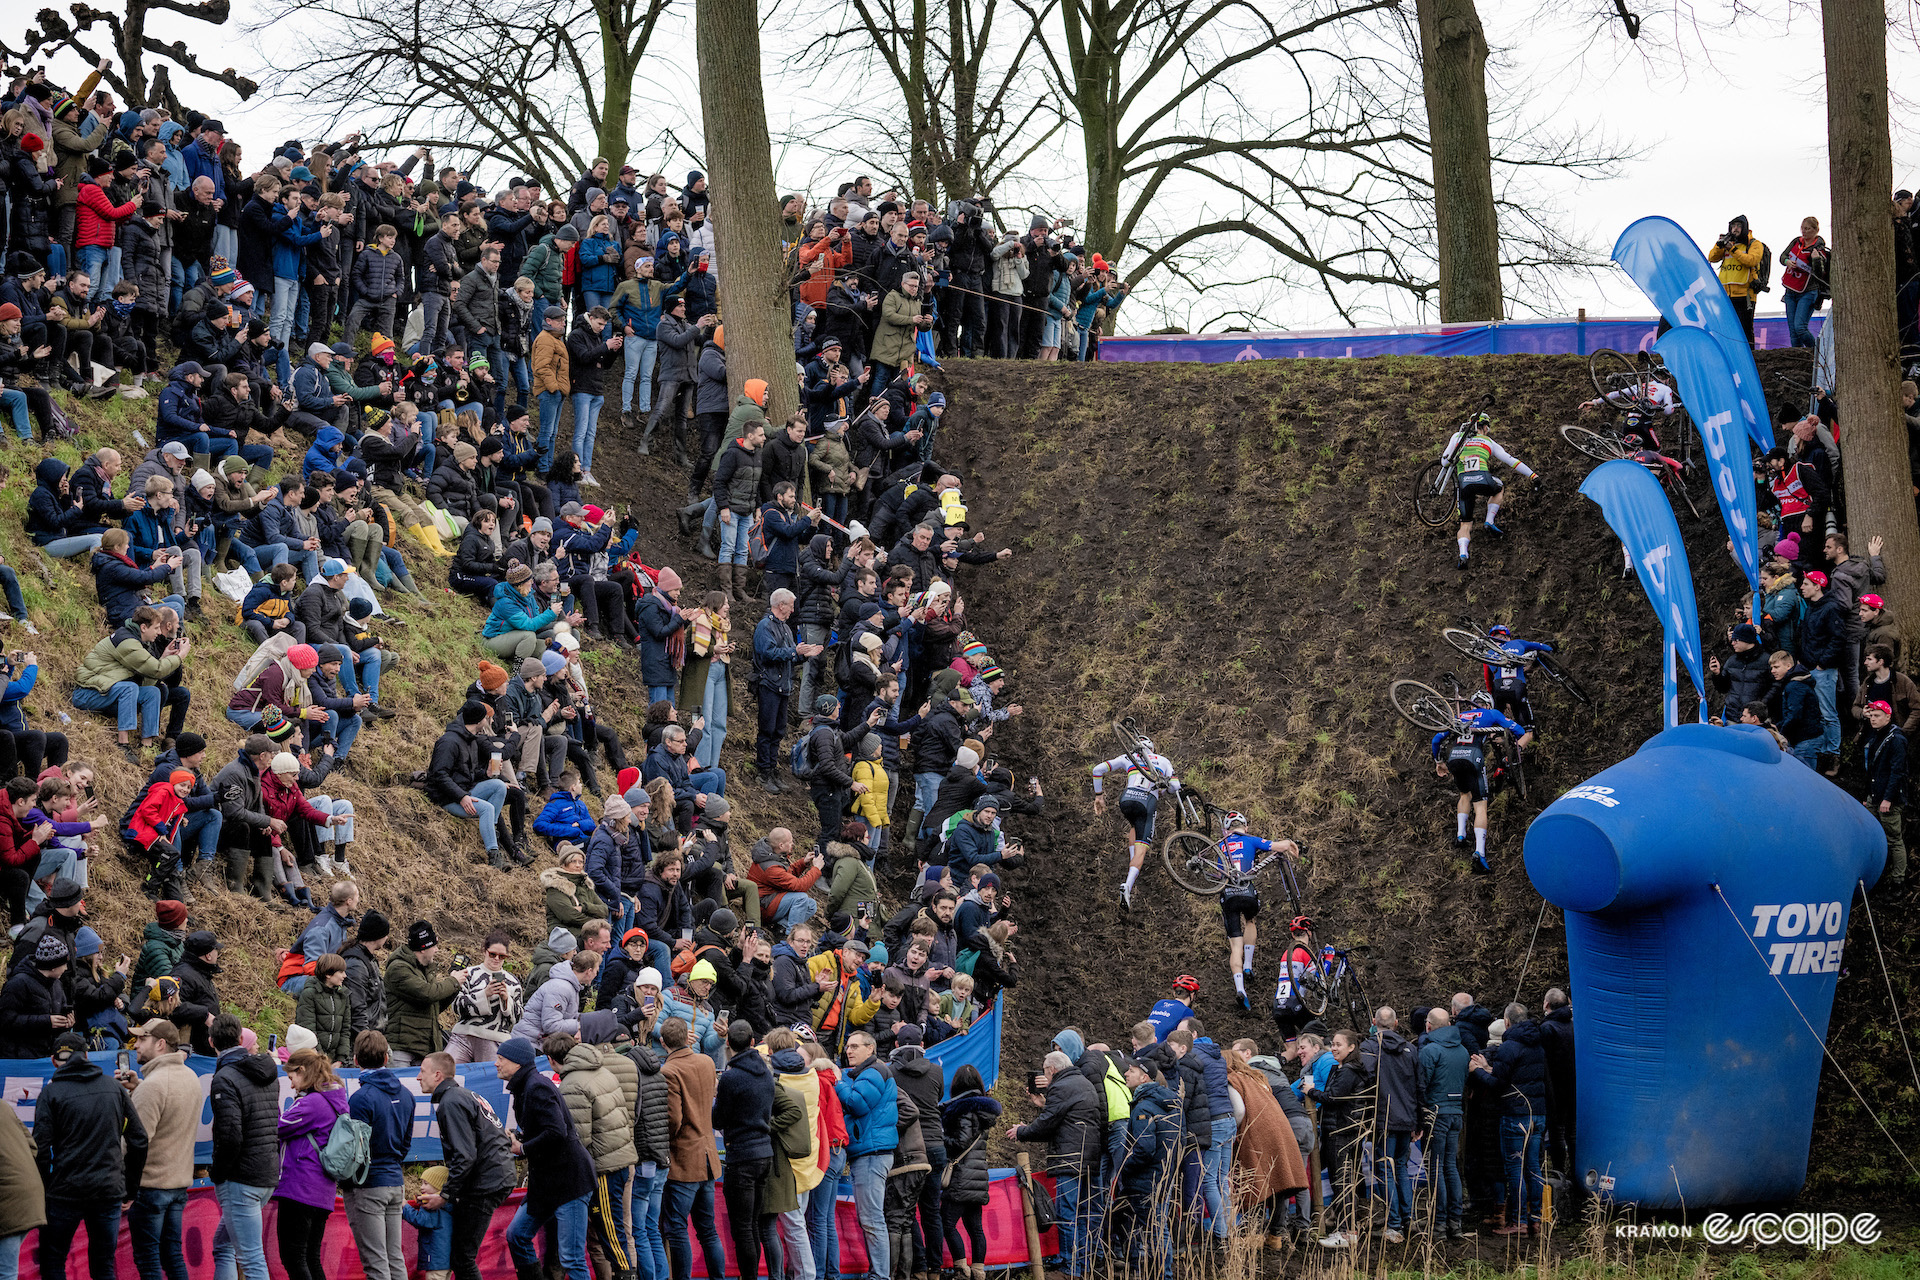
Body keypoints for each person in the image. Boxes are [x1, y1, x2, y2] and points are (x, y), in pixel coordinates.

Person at [34, 1030, 148, 1280]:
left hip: (65, 1192)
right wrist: (129, 1188)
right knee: (103, 1265)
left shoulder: (50, 1094)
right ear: (87, 1056)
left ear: (54, 1061)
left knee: (53, 1262)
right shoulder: (113, 1088)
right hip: (107, 1190)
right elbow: (139, 1140)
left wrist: (42, 1193)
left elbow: (40, 1150)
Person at [497, 1036, 598, 1280]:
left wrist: (522, 1149)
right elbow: (543, 1128)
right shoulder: (525, 1086)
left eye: (500, 1059)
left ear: (518, 1062)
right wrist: (519, 1137)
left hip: (569, 1181)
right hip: (547, 1182)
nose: (496, 1064)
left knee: (572, 1259)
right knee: (517, 1235)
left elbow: (556, 1131)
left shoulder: (536, 1086)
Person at [415, 1052, 518, 1280]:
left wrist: (445, 1195)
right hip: (495, 1177)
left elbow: (465, 1156)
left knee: (462, 1258)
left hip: (487, 1182)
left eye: (422, 1071)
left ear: (438, 1075)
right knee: (461, 1256)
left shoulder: (450, 1102)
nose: (417, 1077)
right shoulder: (464, 1095)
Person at [1009, 1049, 1103, 1279]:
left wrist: (1021, 1131)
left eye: (1045, 1072)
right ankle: (1082, 1265)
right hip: (1090, 1158)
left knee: (1066, 1214)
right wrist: (1044, 1105)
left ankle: (1068, 1267)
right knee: (1083, 1214)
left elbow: (1047, 1124)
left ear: (1052, 1070)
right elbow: (1065, 1118)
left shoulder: (1060, 1087)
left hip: (1069, 1159)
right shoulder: (1083, 1083)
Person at [207, 1012, 281, 1280]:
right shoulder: (267, 1073)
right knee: (223, 1246)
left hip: (240, 1178)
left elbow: (230, 1135)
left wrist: (218, 1172)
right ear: (241, 1039)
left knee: (251, 1259)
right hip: (265, 1174)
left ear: (211, 1042)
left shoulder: (225, 1077)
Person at [1469, 1003, 1547, 1236]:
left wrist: (1478, 1071)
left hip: (1514, 1115)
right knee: (1533, 1169)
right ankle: (1535, 1220)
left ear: (1507, 1022)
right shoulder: (1538, 1046)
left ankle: (1518, 1221)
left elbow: (1497, 1084)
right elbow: (1514, 1077)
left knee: (1515, 1170)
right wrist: (1489, 1068)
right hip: (1538, 1114)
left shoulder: (1508, 1047)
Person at [660, 1015, 729, 1280]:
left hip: (683, 1161)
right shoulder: (707, 1062)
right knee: (707, 1230)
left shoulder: (669, 1071)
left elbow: (673, 1119)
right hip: (708, 1157)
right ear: (690, 1036)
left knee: (676, 1229)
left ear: (663, 1042)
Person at [272, 1046, 349, 1280]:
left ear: (303, 1070)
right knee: (311, 1257)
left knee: (293, 1256)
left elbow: (277, 1125)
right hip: (322, 1191)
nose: (292, 1084)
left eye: (291, 1077)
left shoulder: (312, 1103)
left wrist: (266, 1096)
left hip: (299, 1188)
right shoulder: (335, 1100)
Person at [1431, 696, 1532, 873]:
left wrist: (1439, 762)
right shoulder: (1491, 713)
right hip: (1474, 757)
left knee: (1464, 794)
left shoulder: (1459, 716)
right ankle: (1480, 852)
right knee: (1481, 804)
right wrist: (1503, 739)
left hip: (1454, 757)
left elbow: (1435, 740)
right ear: (1486, 704)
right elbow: (1520, 731)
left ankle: (1461, 835)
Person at [1212, 812, 1301, 1009]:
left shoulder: (1221, 845)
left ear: (1227, 829)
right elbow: (1278, 846)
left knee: (1235, 946)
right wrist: (1289, 842)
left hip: (1227, 895)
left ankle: (1240, 989)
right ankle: (1248, 966)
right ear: (1245, 827)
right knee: (1250, 921)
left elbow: (1219, 873)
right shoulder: (1250, 839)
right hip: (1247, 893)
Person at [1090, 734, 1181, 909]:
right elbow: (1175, 787)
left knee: (1134, 825)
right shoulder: (1163, 760)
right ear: (1152, 749)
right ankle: (1128, 885)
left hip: (1126, 800)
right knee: (1142, 845)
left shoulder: (1128, 757)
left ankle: (1133, 868)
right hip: (1146, 802)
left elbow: (1097, 770)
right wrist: (1166, 788)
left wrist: (1099, 796)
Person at [1442, 413, 1537, 570]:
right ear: (1485, 427)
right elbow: (1510, 460)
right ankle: (1489, 521)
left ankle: (1463, 555)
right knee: (1498, 488)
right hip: (1483, 479)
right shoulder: (1488, 441)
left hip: (1463, 484)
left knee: (1465, 524)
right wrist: (1533, 476)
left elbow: (1444, 461)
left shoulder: (1458, 436)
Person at [1307, 1029, 1373, 1250]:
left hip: (1341, 1132)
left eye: (1338, 1045)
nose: (1334, 1048)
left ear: (1351, 1047)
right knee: (1344, 1180)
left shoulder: (1349, 1072)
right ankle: (1347, 1229)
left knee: (1342, 1182)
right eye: (1332, 1044)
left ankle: (1347, 1231)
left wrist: (1312, 1091)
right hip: (1343, 1130)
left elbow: (1333, 1097)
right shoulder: (1342, 1068)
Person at [939, 1062, 999, 1280]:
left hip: (961, 1177)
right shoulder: (983, 1112)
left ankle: (961, 1269)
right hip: (978, 1176)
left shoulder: (963, 1110)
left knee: (947, 1222)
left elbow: (961, 1142)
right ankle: (979, 1271)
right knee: (975, 1227)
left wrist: (940, 1137)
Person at [1419, 1007, 1472, 1239]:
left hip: (1436, 1114)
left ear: (1429, 1025)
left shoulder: (1430, 1050)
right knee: (1451, 1167)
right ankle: (1455, 1222)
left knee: (1436, 1168)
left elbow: (1421, 1086)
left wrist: (1419, 1116)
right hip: (1456, 1114)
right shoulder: (1462, 1050)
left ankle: (1439, 1223)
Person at [385, 920, 465, 1066]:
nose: (437, 950)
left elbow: (434, 1005)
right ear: (423, 948)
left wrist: (456, 987)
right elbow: (427, 993)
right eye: (434, 945)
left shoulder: (425, 968)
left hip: (423, 1048)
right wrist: (453, 981)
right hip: (402, 1048)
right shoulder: (398, 968)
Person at [1862, 700, 1909, 889]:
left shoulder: (1896, 739)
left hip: (1889, 799)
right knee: (1873, 837)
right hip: (1874, 796)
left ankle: (1898, 880)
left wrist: (1888, 799)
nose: (1873, 719)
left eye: (1877, 716)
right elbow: (1871, 770)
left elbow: (1898, 771)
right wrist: (1867, 796)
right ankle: (1876, 877)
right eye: (1871, 716)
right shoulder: (1876, 735)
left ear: (1888, 717)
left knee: (1894, 840)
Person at [1706, 215, 1765, 346]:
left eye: (1738, 226)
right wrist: (1719, 244)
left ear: (1745, 228)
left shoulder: (1754, 244)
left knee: (1745, 329)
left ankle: (1750, 357)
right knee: (1726, 329)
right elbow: (1712, 257)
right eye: (1733, 226)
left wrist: (1732, 249)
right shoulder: (1728, 244)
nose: (1735, 229)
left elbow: (1751, 260)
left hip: (1746, 294)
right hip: (1726, 294)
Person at [1779, 216, 1830, 349]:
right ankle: (1799, 358)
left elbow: (1820, 274)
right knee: (1793, 333)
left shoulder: (1819, 249)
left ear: (1815, 230)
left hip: (1808, 292)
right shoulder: (1796, 242)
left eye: (1807, 229)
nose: (1804, 231)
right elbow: (1782, 257)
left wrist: (1816, 260)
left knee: (1800, 328)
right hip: (1791, 291)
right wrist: (1787, 262)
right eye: (1802, 228)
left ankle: (1816, 352)